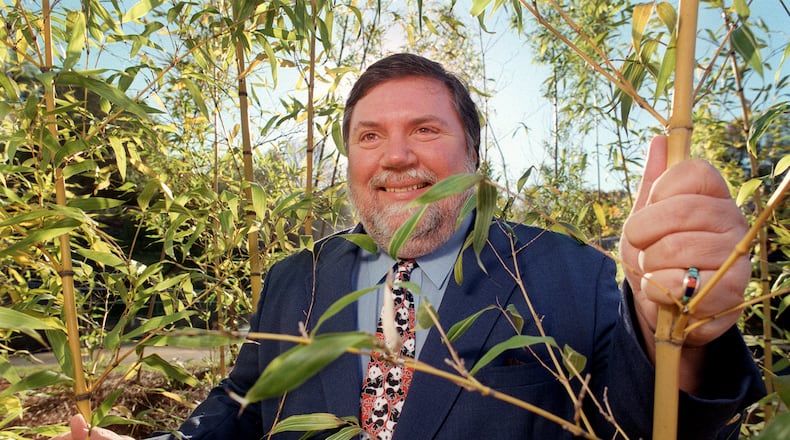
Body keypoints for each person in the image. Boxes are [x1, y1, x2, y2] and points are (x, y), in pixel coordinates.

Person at [55, 53, 764, 440]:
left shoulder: (569, 271)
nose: (395, 157)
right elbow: (242, 403)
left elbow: (642, 424)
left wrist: (686, 329)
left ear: (473, 159)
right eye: (370, 136)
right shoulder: (295, 279)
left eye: (425, 130)